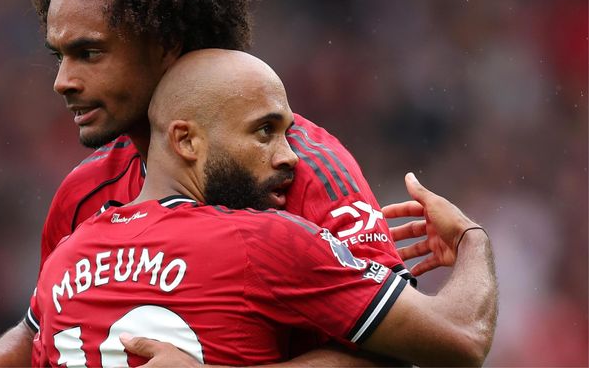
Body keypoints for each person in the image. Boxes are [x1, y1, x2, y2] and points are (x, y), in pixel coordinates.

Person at [0, 0, 423, 367]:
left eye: (89, 53)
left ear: (164, 46)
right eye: (58, 56)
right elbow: (43, 327)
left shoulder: (307, 169)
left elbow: (405, 349)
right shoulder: (82, 195)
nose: (62, 80)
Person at [32, 49, 497, 367]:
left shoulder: (66, 260)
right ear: (186, 140)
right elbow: (461, 338)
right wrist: (470, 239)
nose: (291, 155)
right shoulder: (265, 239)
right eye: (264, 132)